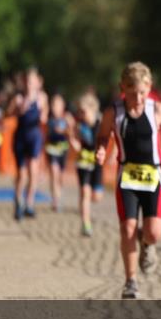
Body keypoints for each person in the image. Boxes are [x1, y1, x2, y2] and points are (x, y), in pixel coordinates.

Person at [96, 62, 161, 299]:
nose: (137, 97)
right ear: (122, 88)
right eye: (132, 91)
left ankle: (147, 243)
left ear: (149, 88)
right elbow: (103, 135)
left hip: (153, 176)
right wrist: (102, 150)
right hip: (126, 176)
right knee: (127, 228)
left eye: (142, 92)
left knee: (154, 232)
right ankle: (131, 281)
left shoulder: (156, 109)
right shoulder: (113, 112)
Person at [7, 67, 49, 221]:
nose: (29, 85)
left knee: (34, 171)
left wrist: (43, 114)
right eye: (26, 81)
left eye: (31, 82)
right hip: (20, 136)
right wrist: (18, 110)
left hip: (35, 136)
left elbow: (44, 116)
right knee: (22, 174)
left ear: (38, 82)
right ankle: (18, 201)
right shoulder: (18, 98)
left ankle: (29, 204)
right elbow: (8, 114)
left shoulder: (42, 97)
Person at [71, 92, 104, 236]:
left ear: (93, 109)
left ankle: (86, 207)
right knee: (85, 192)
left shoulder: (101, 124)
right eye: (79, 111)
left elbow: (109, 141)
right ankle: (86, 223)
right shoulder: (79, 127)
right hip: (83, 162)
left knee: (96, 197)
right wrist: (73, 142)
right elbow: (77, 145)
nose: (81, 114)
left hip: (97, 163)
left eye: (83, 111)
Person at [45, 93, 75, 213]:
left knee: (60, 177)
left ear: (63, 106)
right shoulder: (48, 118)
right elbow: (45, 133)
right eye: (53, 104)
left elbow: (72, 132)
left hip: (63, 149)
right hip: (51, 149)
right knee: (53, 172)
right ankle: (55, 200)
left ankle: (58, 195)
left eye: (57, 104)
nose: (55, 107)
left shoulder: (66, 117)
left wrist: (65, 130)